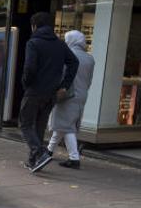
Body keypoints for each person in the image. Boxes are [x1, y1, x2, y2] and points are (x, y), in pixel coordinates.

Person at [20, 12, 79, 173]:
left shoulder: (33, 43)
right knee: (39, 125)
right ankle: (34, 161)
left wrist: (26, 83)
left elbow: (29, 67)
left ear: (34, 26)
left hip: (34, 90)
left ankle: (40, 153)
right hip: (51, 92)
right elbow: (74, 62)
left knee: (25, 123)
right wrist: (64, 85)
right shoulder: (60, 44)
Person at [47, 30, 94, 169]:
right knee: (64, 124)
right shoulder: (90, 58)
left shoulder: (66, 55)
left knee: (66, 126)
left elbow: (60, 75)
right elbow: (89, 80)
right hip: (81, 95)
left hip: (66, 94)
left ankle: (74, 158)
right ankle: (49, 150)